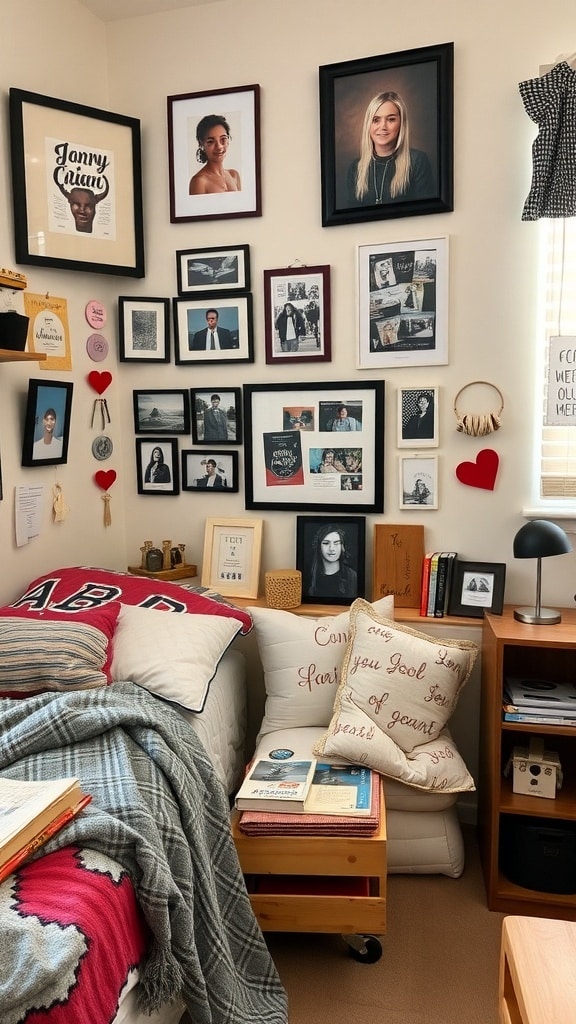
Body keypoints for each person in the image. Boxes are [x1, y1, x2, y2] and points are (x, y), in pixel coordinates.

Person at [346, 90, 435, 206]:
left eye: (391, 119)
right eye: (376, 120)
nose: (383, 126)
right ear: (369, 125)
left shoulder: (417, 161)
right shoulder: (355, 168)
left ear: (401, 124)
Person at [188, 115, 241, 195]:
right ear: (201, 144)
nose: (219, 146)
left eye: (223, 139)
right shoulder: (199, 182)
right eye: (211, 141)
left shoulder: (234, 175)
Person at [307, 524, 358, 600]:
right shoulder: (309, 575)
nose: (332, 548)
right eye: (326, 543)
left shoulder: (351, 576)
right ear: (318, 547)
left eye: (337, 543)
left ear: (342, 546)